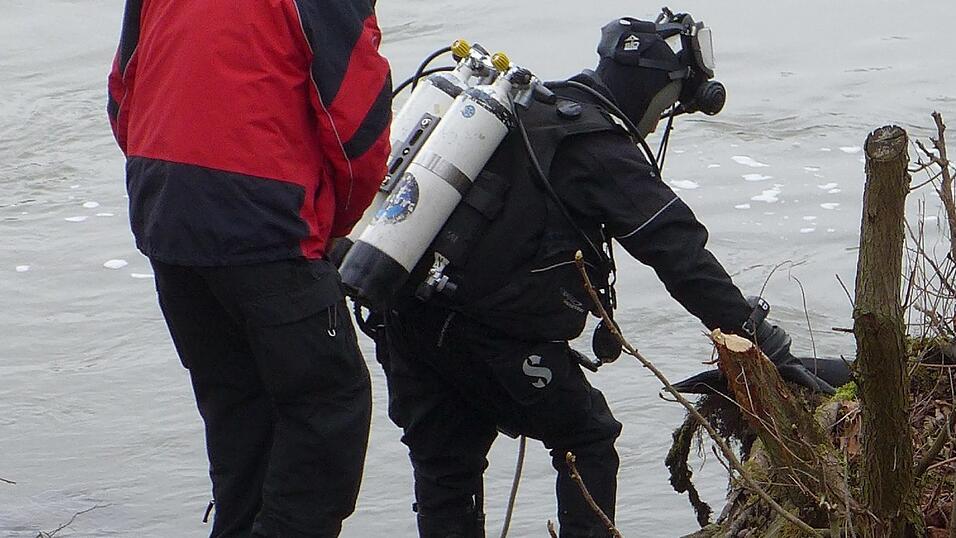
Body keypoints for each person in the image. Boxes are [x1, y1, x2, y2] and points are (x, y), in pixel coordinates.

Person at [370, 12, 840, 538]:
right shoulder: (594, 143)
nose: (660, 122)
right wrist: (763, 341)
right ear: (657, 89)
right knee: (587, 437)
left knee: (446, 471)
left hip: (404, 314)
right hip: (487, 335)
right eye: (668, 107)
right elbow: (679, 253)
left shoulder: (526, 113)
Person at [107, 1, 391, 536]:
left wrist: (175, 187)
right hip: (265, 219)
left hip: (167, 215)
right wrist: (333, 226)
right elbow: (357, 131)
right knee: (329, 412)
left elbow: (124, 92)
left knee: (239, 415)